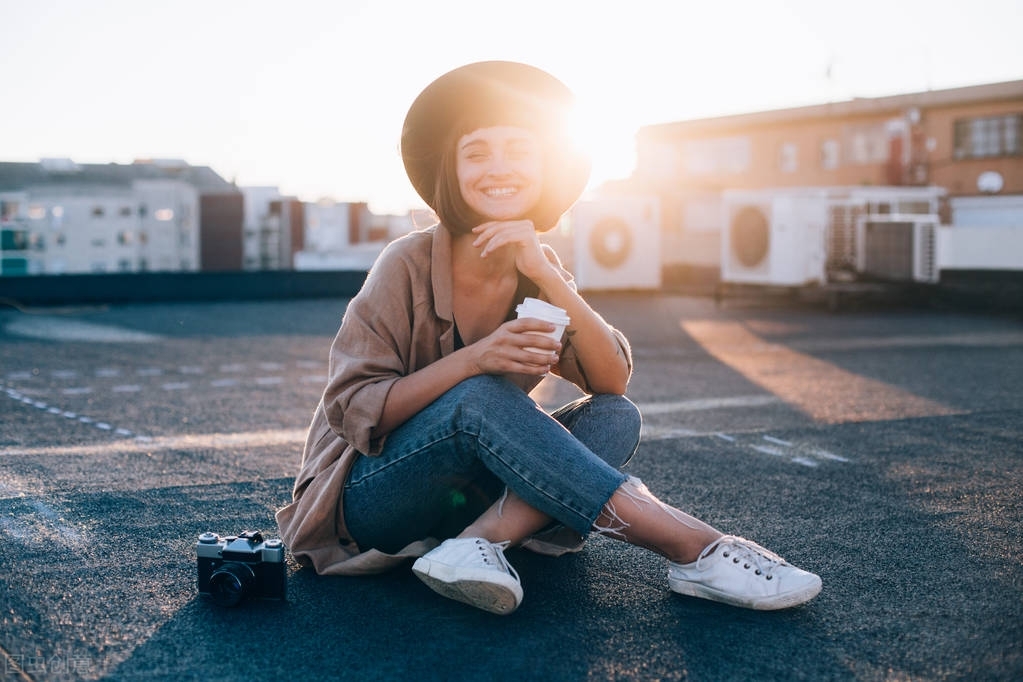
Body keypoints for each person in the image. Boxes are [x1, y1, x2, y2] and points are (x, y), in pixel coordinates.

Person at [275, 61, 822, 614]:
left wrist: (549, 273)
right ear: (452, 169)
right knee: (479, 396)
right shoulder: (406, 263)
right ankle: (695, 548)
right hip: (367, 498)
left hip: (465, 496)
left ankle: (476, 543)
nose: (500, 168)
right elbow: (353, 408)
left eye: (519, 150)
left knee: (615, 417)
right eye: (477, 152)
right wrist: (474, 359)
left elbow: (611, 379)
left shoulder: (540, 269)